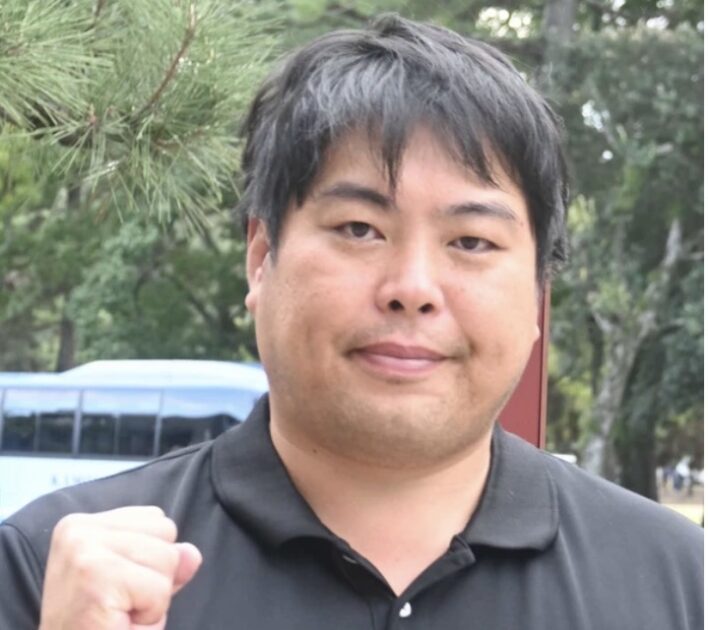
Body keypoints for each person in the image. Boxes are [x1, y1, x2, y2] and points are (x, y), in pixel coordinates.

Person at [0, 15, 702, 630]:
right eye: (360, 228)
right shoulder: (52, 575)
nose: (412, 289)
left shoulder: (675, 584)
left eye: (471, 241)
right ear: (261, 259)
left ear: (538, 296)